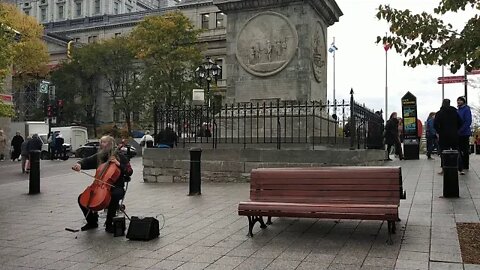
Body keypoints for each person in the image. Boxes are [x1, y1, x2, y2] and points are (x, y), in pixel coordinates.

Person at [72, 135, 132, 233]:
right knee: (81, 198)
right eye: (101, 142)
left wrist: (118, 164)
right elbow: (87, 160)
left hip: (116, 187)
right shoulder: (100, 156)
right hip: (99, 186)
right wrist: (79, 164)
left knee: (114, 196)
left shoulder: (121, 157)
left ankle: (109, 223)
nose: (101, 144)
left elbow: (129, 171)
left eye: (104, 142)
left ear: (110, 144)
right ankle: (92, 222)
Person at [434, 99, 462, 175]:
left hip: (444, 135)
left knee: (443, 152)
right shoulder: (455, 112)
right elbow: (460, 122)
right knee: (457, 150)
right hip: (454, 134)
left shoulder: (439, 113)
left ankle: (444, 169)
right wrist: (456, 129)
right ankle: (460, 168)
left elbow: (435, 125)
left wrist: (439, 131)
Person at [456, 96, 472, 172]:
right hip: (458, 133)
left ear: (463, 101)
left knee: (465, 150)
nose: (458, 102)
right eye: (458, 100)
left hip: (464, 133)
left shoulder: (466, 109)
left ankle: (465, 165)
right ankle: (460, 164)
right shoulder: (457, 110)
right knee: (459, 149)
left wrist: (461, 130)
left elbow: (468, 121)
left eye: (460, 100)